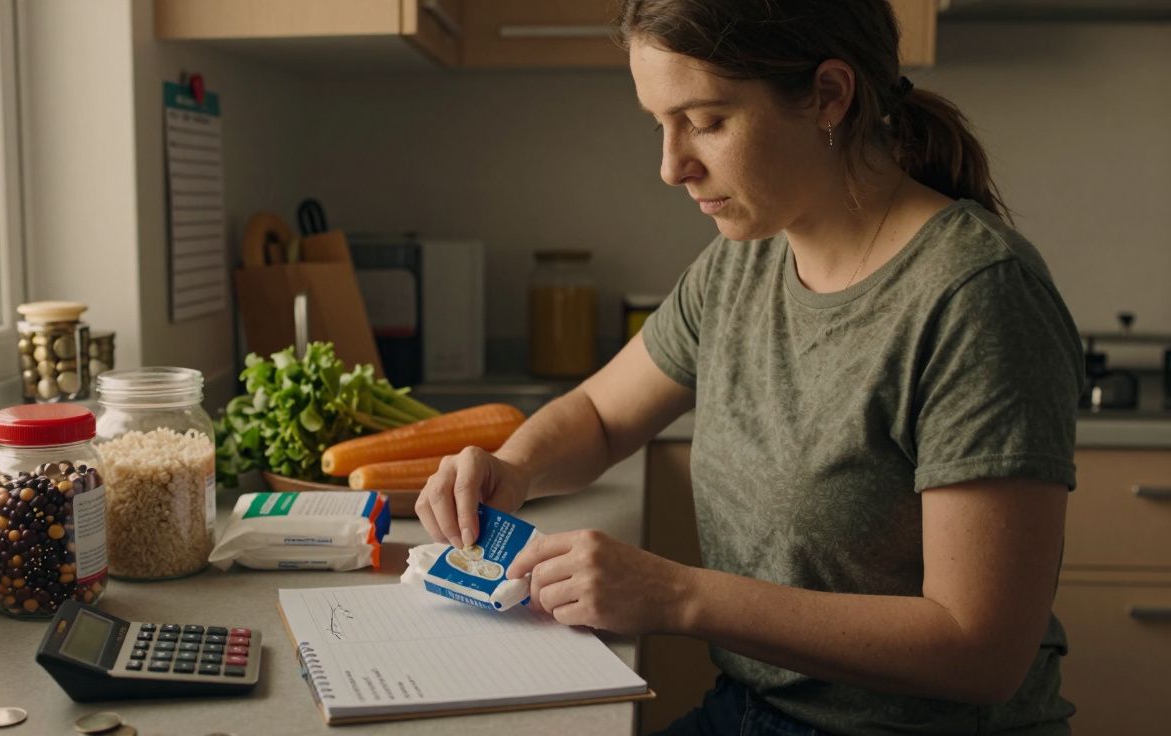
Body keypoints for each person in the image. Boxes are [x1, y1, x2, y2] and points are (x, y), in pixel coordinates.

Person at [416, 1, 1082, 734]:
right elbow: (602, 417)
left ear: (829, 95)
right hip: (754, 712)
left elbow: (980, 649)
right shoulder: (744, 261)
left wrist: (676, 597)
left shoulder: (976, 295)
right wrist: (515, 465)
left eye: (706, 121)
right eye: (659, 123)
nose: (671, 166)